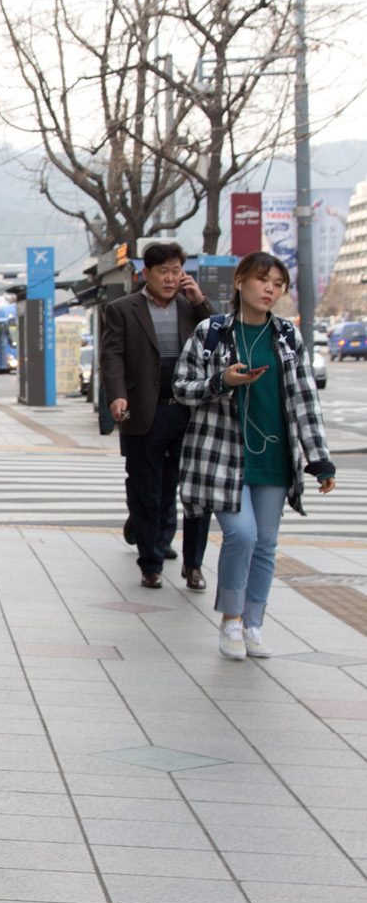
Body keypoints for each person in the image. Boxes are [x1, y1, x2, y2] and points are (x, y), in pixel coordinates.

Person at [174, 251, 335, 660]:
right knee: (241, 535)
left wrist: (319, 458)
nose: (270, 289)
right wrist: (221, 381)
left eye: (278, 284)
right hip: (221, 454)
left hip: (275, 458)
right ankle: (230, 619)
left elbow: (304, 399)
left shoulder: (286, 336)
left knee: (265, 544)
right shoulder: (212, 331)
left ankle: (253, 623)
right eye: (263, 280)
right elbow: (181, 388)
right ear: (241, 281)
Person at [99, 243, 215, 591]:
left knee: (191, 491)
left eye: (176, 269)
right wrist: (117, 395)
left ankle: (191, 563)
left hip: (188, 411)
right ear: (145, 273)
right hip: (144, 412)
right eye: (163, 271)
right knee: (145, 490)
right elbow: (113, 356)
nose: (170, 277)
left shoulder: (190, 307)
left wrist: (200, 301)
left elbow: (221, 337)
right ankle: (150, 562)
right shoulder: (123, 309)